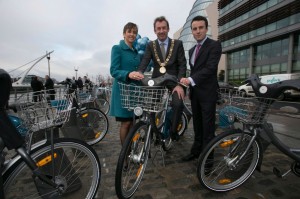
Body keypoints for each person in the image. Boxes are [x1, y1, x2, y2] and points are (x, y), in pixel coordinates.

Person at [137, 16, 187, 141]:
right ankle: (154, 131)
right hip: (157, 81)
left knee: (178, 103)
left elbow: (182, 65)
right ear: (155, 31)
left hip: (174, 81)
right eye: (158, 28)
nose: (161, 31)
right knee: (151, 107)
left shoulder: (178, 44)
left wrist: (180, 84)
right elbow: (145, 61)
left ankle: (173, 131)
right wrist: (139, 72)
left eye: (163, 28)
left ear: (168, 29)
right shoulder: (150, 45)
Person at [180, 15, 222, 161]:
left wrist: (190, 79)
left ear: (206, 28)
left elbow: (210, 68)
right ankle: (196, 151)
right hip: (196, 94)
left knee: (208, 128)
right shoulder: (191, 50)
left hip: (208, 94)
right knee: (197, 125)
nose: (197, 31)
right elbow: (194, 70)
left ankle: (208, 160)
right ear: (192, 31)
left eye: (200, 28)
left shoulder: (215, 45)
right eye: (194, 29)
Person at [109, 22, 142, 146]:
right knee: (126, 123)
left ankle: (132, 148)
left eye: (134, 32)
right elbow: (113, 70)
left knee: (133, 122)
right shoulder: (117, 48)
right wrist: (128, 74)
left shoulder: (137, 52)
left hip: (135, 92)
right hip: (122, 92)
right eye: (129, 31)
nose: (132, 34)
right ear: (124, 33)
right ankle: (125, 153)